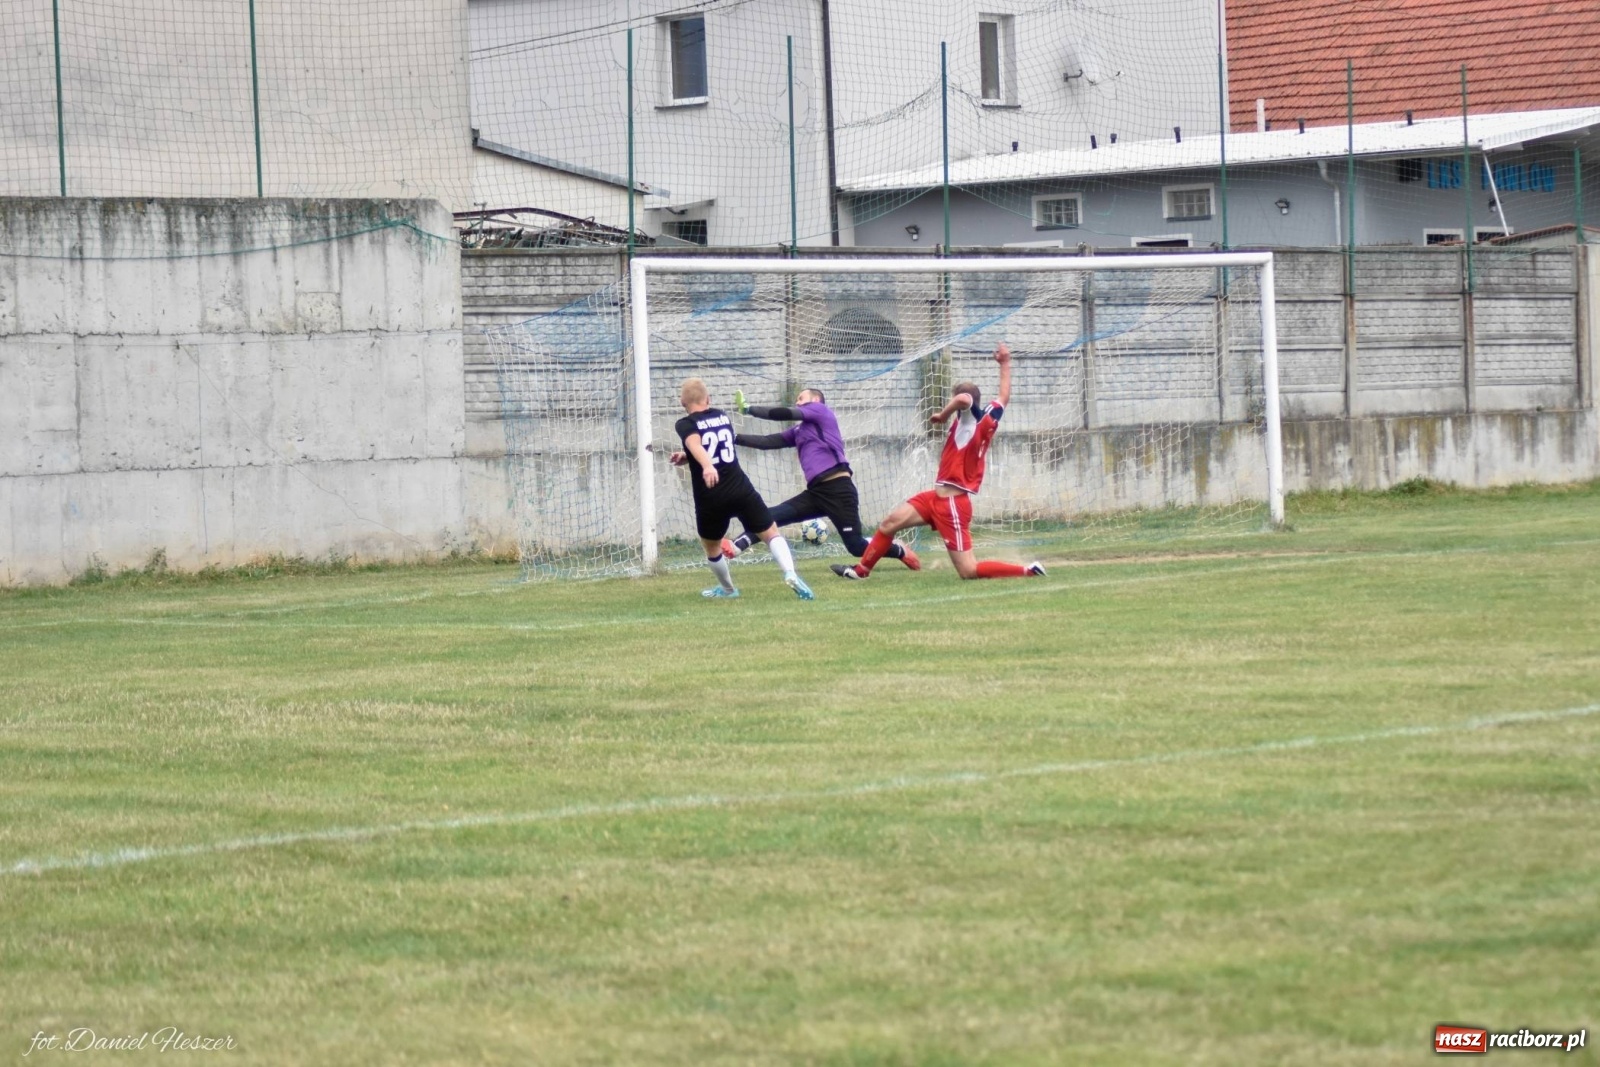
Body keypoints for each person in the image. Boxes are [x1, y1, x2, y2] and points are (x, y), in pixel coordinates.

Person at [831, 342, 1046, 582]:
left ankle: (1028, 570)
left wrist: (942, 415)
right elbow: (1004, 396)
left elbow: (964, 399)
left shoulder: (969, 419)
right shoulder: (990, 414)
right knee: (889, 523)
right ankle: (861, 571)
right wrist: (1005, 363)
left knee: (968, 571)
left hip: (952, 504)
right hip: (935, 498)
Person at [719, 387, 919, 571]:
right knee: (769, 517)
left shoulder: (821, 411)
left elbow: (785, 413)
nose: (798, 403)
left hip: (839, 490)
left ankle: (899, 550)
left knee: (856, 546)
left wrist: (749, 409)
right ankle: (737, 546)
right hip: (815, 494)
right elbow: (767, 442)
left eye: (801, 398)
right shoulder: (799, 431)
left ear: (815, 400)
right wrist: (734, 438)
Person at [670, 378, 814, 600]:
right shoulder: (722, 416)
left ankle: (728, 590)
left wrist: (706, 465)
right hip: (740, 487)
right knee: (770, 533)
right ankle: (790, 572)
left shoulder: (684, 424)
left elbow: (696, 443)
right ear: (708, 399)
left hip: (711, 494)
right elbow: (713, 445)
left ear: (682, 403)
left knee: (712, 547)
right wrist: (689, 458)